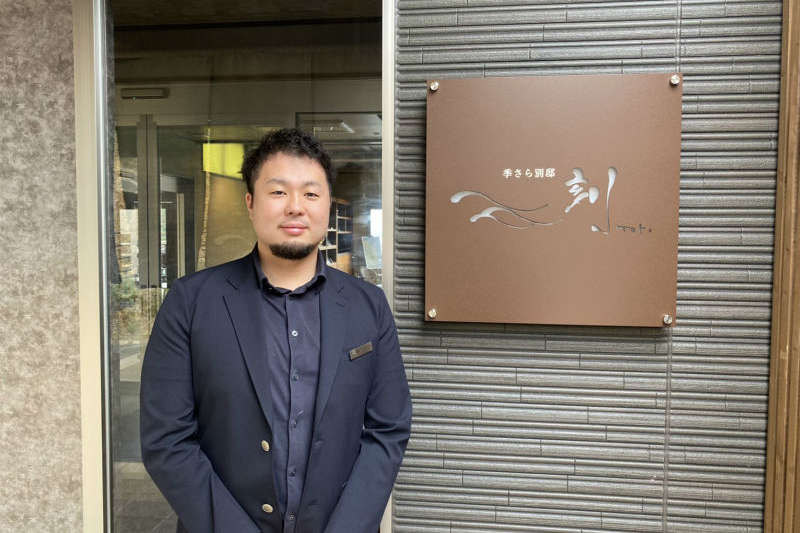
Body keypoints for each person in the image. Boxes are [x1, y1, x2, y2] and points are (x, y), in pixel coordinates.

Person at [140, 128, 412, 533]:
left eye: (311, 193)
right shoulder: (191, 302)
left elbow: (388, 429)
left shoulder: (368, 305)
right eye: (279, 192)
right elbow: (167, 439)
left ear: (328, 205)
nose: (295, 207)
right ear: (251, 202)